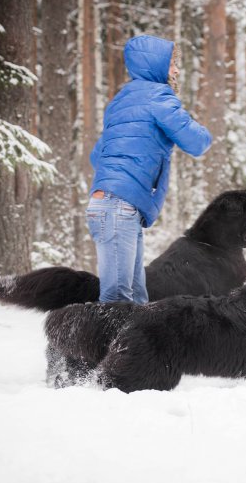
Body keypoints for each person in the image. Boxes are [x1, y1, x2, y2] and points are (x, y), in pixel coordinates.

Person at [87, 35, 212, 304]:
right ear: (154, 65)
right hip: (118, 207)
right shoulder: (158, 97)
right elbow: (196, 142)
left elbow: (97, 156)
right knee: (117, 301)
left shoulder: (121, 101)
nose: (176, 70)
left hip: (110, 205)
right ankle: (96, 347)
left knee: (136, 301)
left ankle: (133, 348)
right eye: (171, 64)